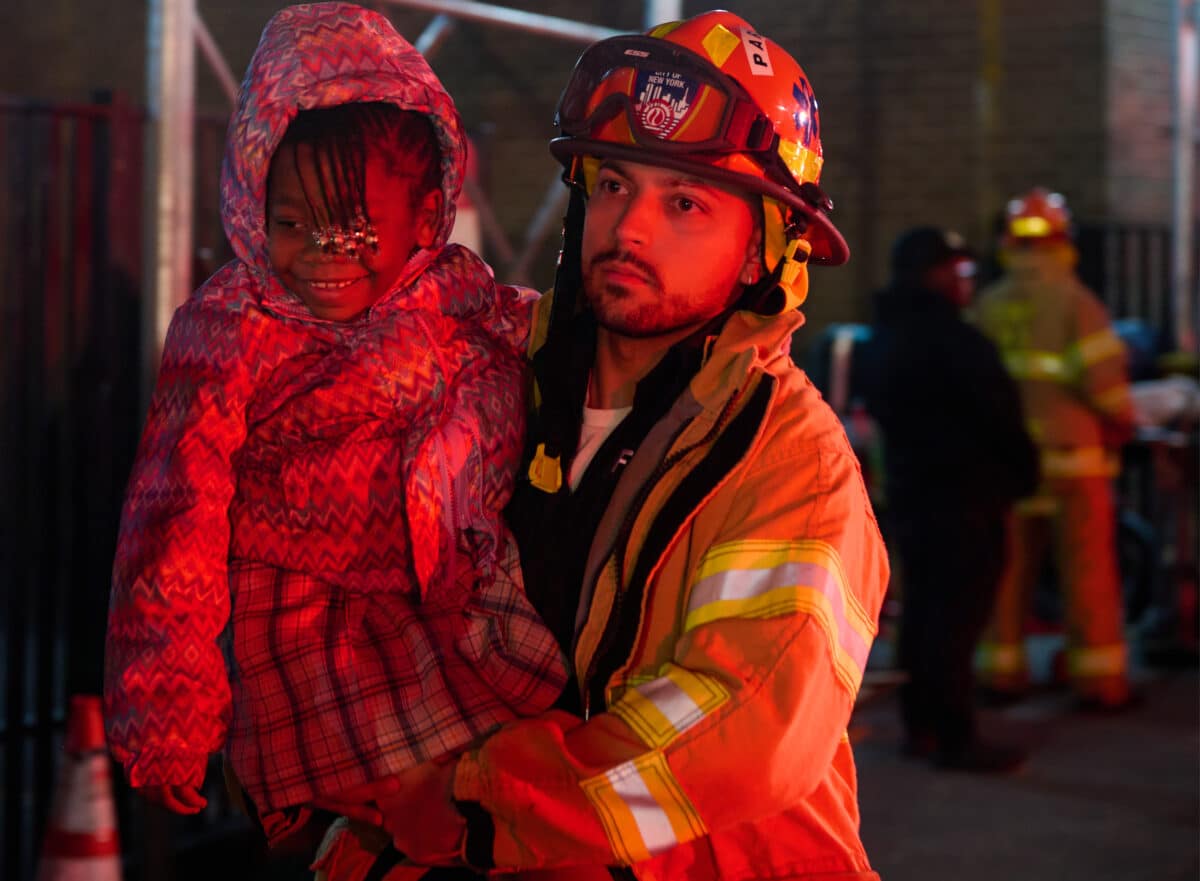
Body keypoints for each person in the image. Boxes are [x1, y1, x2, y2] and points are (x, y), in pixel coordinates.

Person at [322, 11, 890, 879]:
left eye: (686, 202)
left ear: (764, 251)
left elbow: (735, 736)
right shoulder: (477, 375)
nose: (629, 229)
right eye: (615, 184)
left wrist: (471, 806)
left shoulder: (793, 465)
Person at [103, 0, 564, 854]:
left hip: (455, 611)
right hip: (311, 628)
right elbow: (175, 519)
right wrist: (168, 706)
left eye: (355, 230)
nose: (320, 255)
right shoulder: (236, 323)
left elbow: (541, 335)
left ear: (427, 218)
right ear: (250, 200)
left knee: (535, 795)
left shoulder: (455, 293)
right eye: (289, 225)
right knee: (404, 823)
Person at [857, 226, 1038, 773]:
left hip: (915, 495)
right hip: (967, 498)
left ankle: (923, 727)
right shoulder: (956, 342)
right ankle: (957, 735)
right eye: (958, 274)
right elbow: (998, 415)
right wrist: (1022, 472)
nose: (966, 285)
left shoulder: (882, 339)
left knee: (925, 615)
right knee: (957, 619)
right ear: (933, 274)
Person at [973, 188, 1137, 710]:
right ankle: (1098, 683)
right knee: (1086, 571)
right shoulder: (1077, 302)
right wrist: (1126, 421)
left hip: (1009, 464)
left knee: (1007, 571)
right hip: (1074, 462)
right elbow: (1106, 385)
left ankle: (1003, 673)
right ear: (1065, 240)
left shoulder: (989, 305)